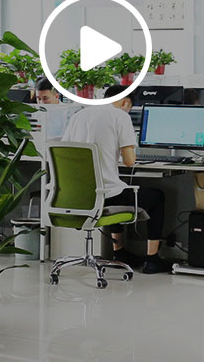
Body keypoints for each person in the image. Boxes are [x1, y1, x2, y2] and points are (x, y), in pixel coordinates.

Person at [61, 85, 171, 274]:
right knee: (154, 196)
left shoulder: (78, 116)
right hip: (105, 196)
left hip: (77, 195)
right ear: (125, 102)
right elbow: (129, 161)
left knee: (115, 186)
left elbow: (65, 152)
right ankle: (152, 259)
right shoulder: (120, 116)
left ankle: (119, 252)